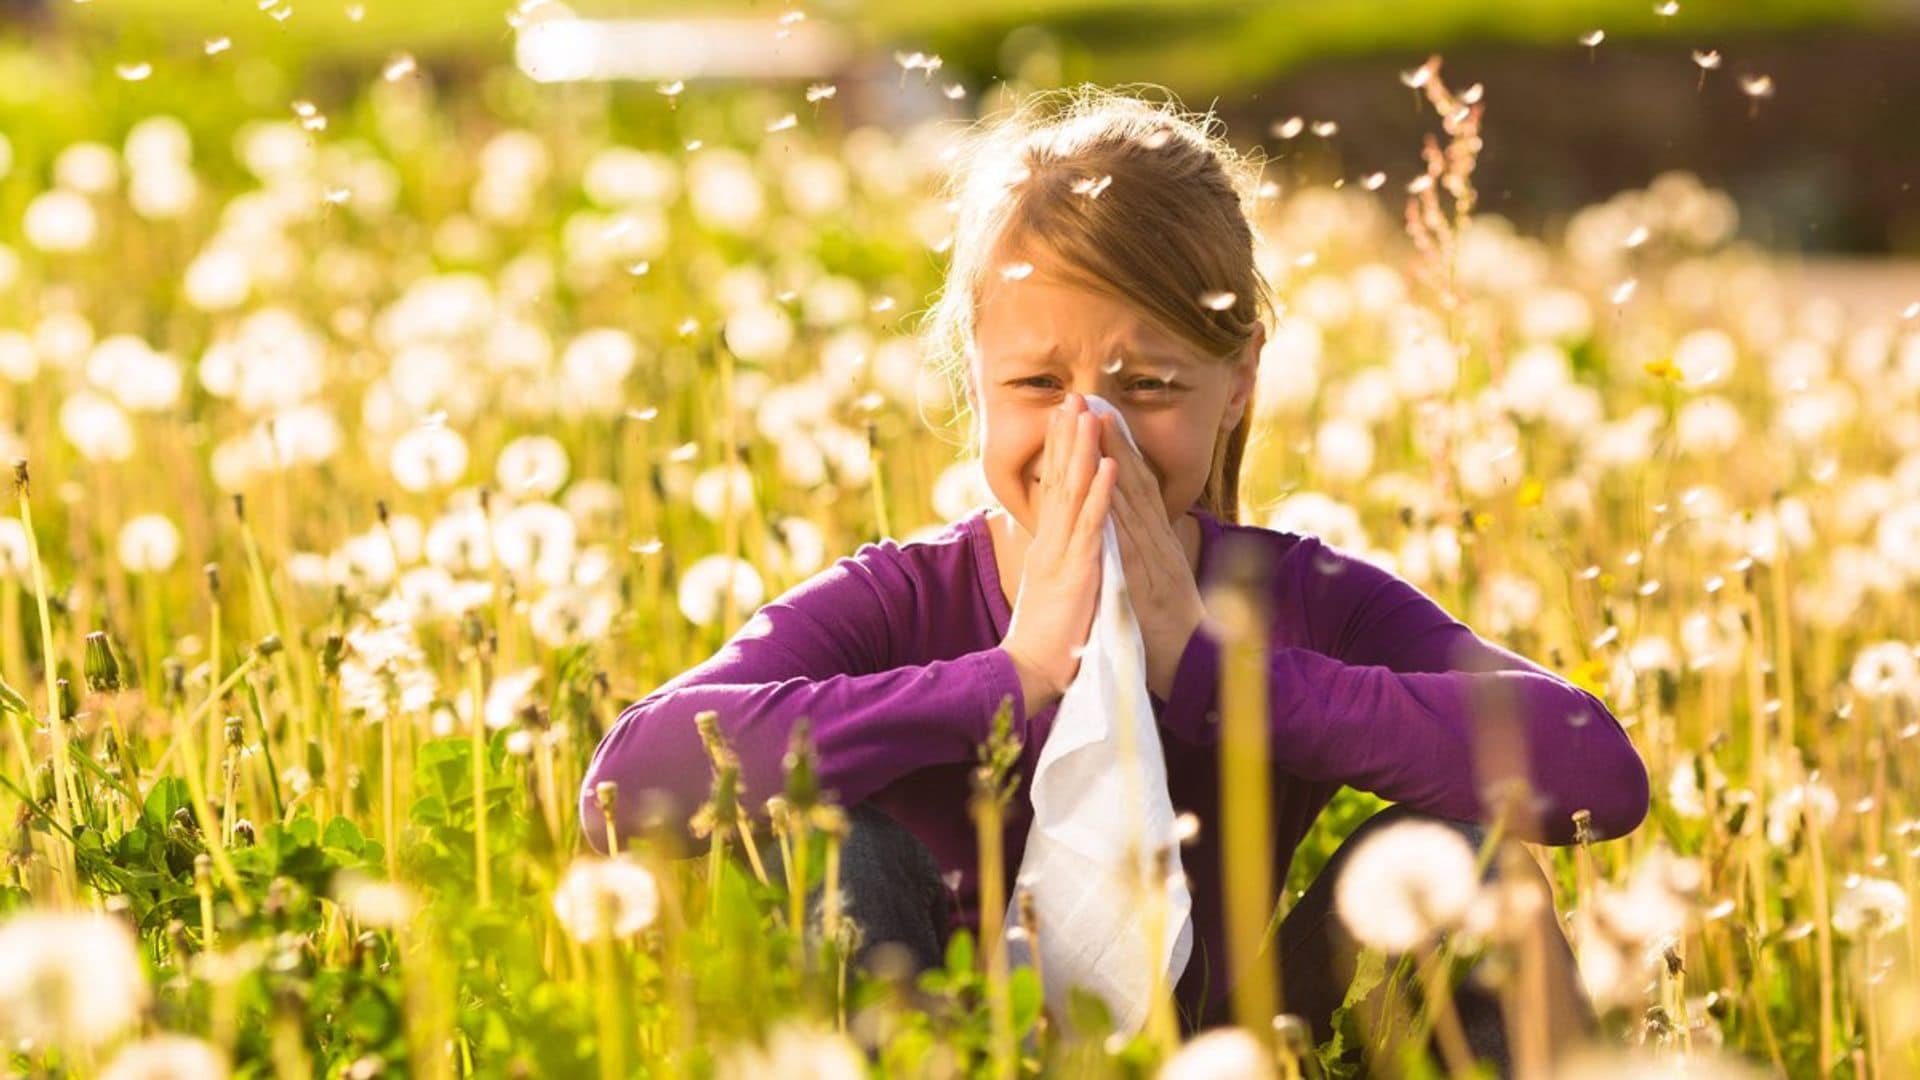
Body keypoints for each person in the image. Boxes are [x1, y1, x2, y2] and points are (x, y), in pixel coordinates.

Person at [580, 85, 1650, 1067]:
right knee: (834, 851)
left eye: (1148, 385)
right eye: (1039, 382)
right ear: (974, 377)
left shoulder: (1298, 599)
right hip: (938, 1044)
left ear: (1239, 384)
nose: (1089, 433)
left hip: (1234, 1052)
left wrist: (1218, 674)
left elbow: (1596, 771)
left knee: (1468, 863)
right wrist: (1014, 674)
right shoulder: (904, 599)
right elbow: (627, 785)